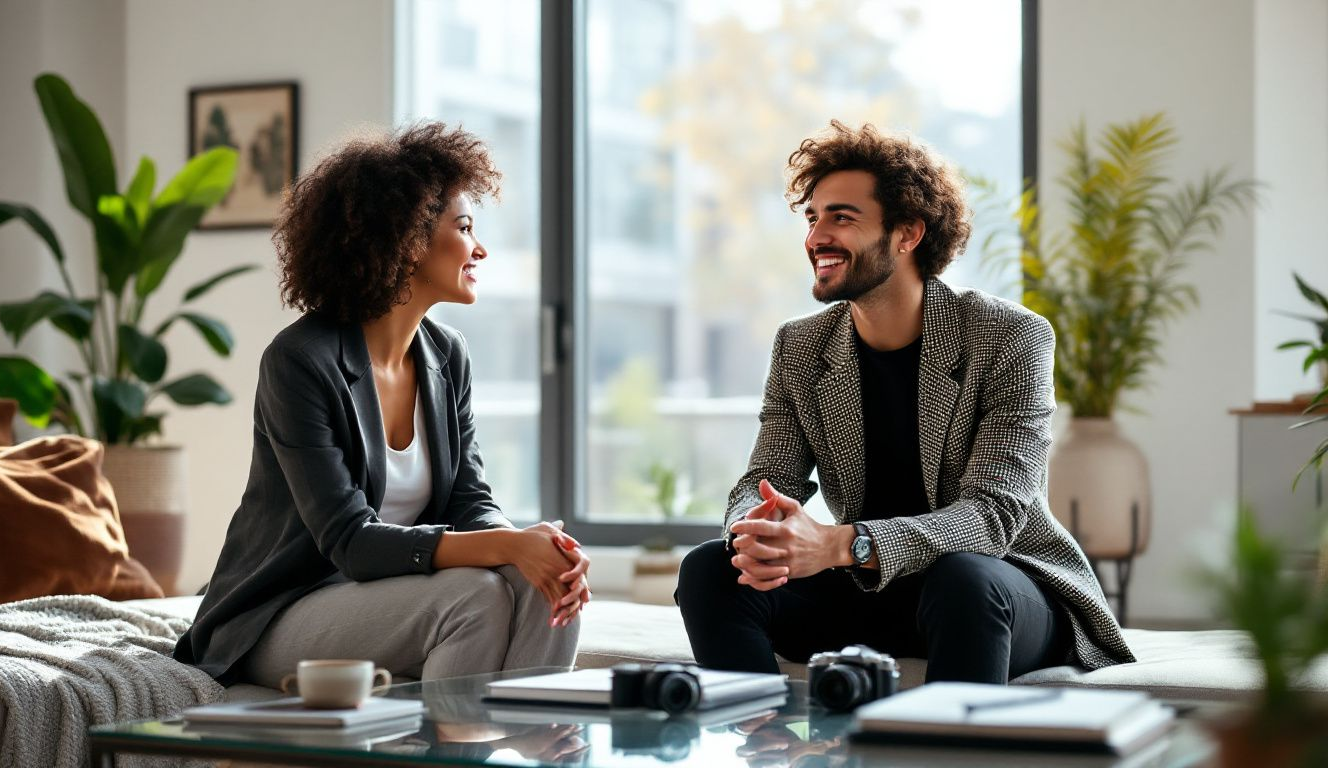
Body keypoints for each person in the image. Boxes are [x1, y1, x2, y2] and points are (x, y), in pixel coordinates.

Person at [676, 121, 1134, 684]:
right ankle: (765, 736)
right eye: (813, 217)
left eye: (841, 217)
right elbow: (768, 474)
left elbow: (992, 516)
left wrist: (842, 543)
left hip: (1000, 590)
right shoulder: (801, 345)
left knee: (965, 577)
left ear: (907, 233)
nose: (817, 236)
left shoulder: (1010, 336)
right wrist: (759, 529)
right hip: (874, 590)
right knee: (708, 570)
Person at [175, 123, 588, 686]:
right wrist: (508, 544)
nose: (480, 248)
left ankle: (516, 743)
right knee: (474, 596)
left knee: (552, 581)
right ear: (409, 239)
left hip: (386, 599)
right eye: (464, 228)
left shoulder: (447, 356)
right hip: (280, 613)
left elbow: (470, 500)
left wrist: (538, 546)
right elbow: (350, 541)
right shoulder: (300, 361)